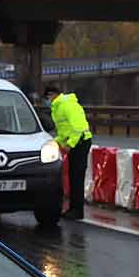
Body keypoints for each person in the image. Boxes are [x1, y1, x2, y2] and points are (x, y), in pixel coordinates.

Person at [46, 83, 93, 219]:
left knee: (77, 177)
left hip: (81, 142)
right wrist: (54, 142)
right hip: (74, 142)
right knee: (73, 176)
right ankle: (73, 209)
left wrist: (69, 145)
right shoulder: (57, 108)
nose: (47, 101)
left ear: (53, 95)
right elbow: (64, 131)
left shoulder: (67, 105)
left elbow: (78, 128)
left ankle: (77, 211)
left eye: (48, 97)